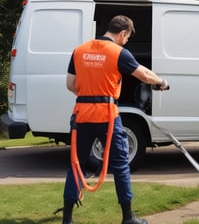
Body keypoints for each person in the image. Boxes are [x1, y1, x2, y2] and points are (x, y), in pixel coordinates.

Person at [61, 15, 169, 224]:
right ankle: (128, 218)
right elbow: (144, 76)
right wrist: (162, 82)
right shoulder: (119, 53)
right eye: (127, 38)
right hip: (107, 116)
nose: (126, 41)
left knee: (76, 164)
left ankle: (67, 220)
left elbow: (70, 84)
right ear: (121, 34)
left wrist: (89, 96)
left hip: (82, 114)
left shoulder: (79, 50)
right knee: (120, 165)